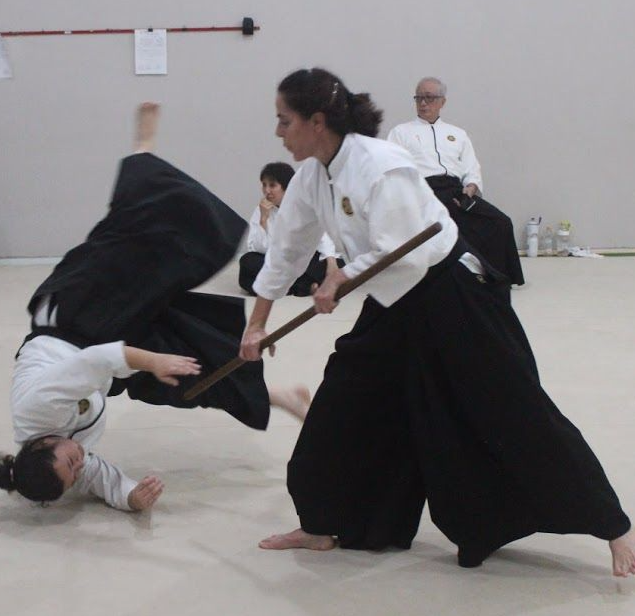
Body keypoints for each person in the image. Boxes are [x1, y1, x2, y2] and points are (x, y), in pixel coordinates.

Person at [239, 68, 635, 577]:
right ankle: (322, 522)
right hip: (392, 304)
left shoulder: (380, 165)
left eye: (284, 120)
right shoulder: (314, 178)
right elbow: (285, 252)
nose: (278, 132)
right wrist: (257, 325)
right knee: (341, 402)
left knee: (510, 405)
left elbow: (405, 251)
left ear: (317, 121)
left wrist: (341, 279)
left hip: (450, 293)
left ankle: (612, 525)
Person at [0, 103, 310, 512]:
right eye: (74, 471)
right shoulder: (59, 460)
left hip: (74, 316)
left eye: (71, 462)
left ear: (41, 443)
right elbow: (94, 475)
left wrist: (153, 361)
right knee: (185, 379)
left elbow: (95, 360)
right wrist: (129, 497)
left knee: (136, 237)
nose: (80, 461)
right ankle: (280, 396)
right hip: (106, 349)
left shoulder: (37, 408)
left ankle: (142, 152)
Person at [387, 77, 524, 287]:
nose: (423, 103)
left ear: (442, 102)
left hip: (456, 190)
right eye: (419, 98)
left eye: (429, 98)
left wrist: (471, 187)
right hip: (423, 190)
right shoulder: (400, 132)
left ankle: (496, 276)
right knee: (445, 222)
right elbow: (393, 168)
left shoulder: (457, 134)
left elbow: (471, 168)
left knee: (500, 222)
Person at [238, 162, 342, 296]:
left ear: (286, 187)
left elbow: (322, 235)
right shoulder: (261, 210)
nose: (267, 191)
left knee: (336, 264)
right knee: (247, 262)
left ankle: (292, 286)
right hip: (278, 260)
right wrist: (263, 219)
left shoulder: (302, 204)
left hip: (304, 257)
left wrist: (331, 262)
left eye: (272, 185)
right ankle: (305, 286)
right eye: (264, 185)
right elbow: (256, 247)